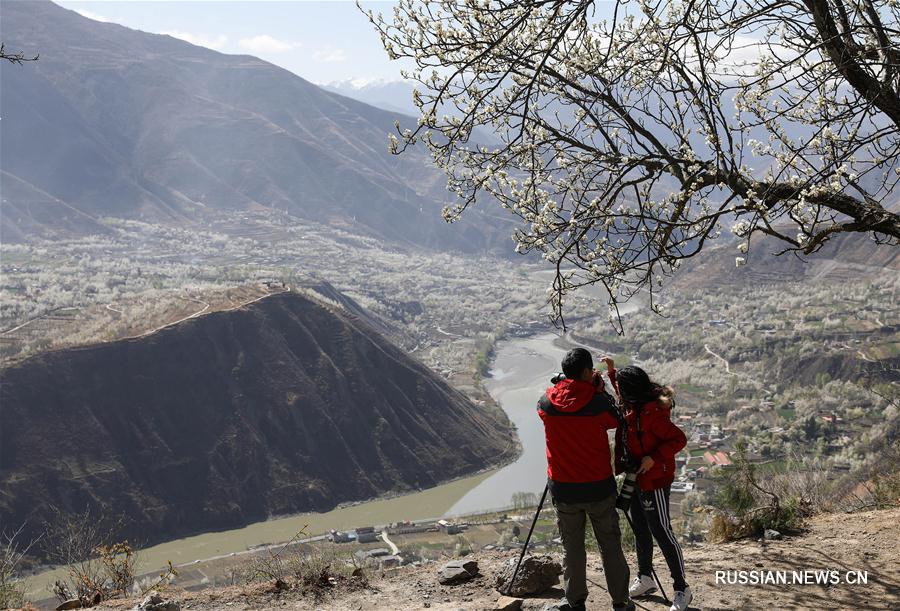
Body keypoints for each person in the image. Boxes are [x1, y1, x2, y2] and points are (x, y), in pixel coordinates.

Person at [538, 348, 633, 611]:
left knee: (573, 547)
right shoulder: (598, 403)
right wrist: (600, 390)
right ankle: (621, 601)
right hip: (598, 487)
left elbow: (549, 407)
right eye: (590, 371)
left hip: (564, 488)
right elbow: (616, 420)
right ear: (585, 372)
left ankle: (575, 600)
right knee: (609, 545)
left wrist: (571, 386)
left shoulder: (546, 403)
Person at [606, 360, 692, 611]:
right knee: (641, 529)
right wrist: (612, 372)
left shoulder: (652, 414)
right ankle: (646, 578)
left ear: (631, 391)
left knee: (662, 532)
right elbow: (620, 389)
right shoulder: (633, 404)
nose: (617, 392)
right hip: (636, 478)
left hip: (654, 480)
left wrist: (653, 457)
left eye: (620, 387)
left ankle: (682, 589)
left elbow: (679, 438)